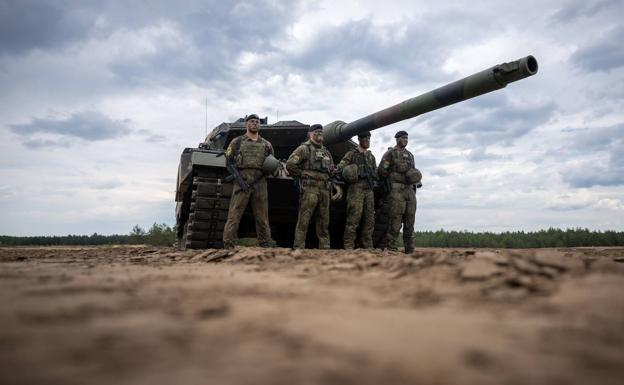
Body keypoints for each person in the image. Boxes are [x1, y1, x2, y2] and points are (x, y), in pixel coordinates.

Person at [222, 114, 274, 249]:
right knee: (234, 214)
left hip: (260, 181)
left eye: (257, 122)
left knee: (262, 216)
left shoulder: (266, 144)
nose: (255, 123)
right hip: (241, 179)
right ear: (246, 124)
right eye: (252, 121)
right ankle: (229, 244)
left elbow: (271, 163)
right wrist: (237, 177)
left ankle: (265, 245)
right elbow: (228, 162)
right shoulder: (237, 142)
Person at [286, 124, 335, 249]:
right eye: (316, 131)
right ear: (310, 134)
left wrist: (332, 172)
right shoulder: (304, 149)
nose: (319, 134)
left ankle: (325, 248)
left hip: (324, 189)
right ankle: (298, 247)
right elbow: (290, 164)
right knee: (304, 219)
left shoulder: (326, 152)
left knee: (324, 222)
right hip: (309, 189)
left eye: (321, 132)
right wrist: (303, 175)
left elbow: (331, 170)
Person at [378, 130, 419, 253]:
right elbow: (381, 171)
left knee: (410, 220)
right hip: (396, 190)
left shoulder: (410, 155)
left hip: (409, 190)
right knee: (395, 220)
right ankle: (392, 248)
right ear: (397, 139)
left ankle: (409, 249)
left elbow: (413, 171)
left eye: (407, 138)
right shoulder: (390, 154)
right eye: (403, 138)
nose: (405, 140)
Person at [337, 131, 377, 249]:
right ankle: (349, 245)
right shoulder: (351, 154)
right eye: (365, 139)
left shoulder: (371, 156)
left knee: (369, 219)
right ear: (360, 139)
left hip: (369, 190)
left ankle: (367, 245)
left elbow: (375, 172)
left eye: (369, 139)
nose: (368, 141)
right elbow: (341, 167)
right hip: (356, 188)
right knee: (353, 218)